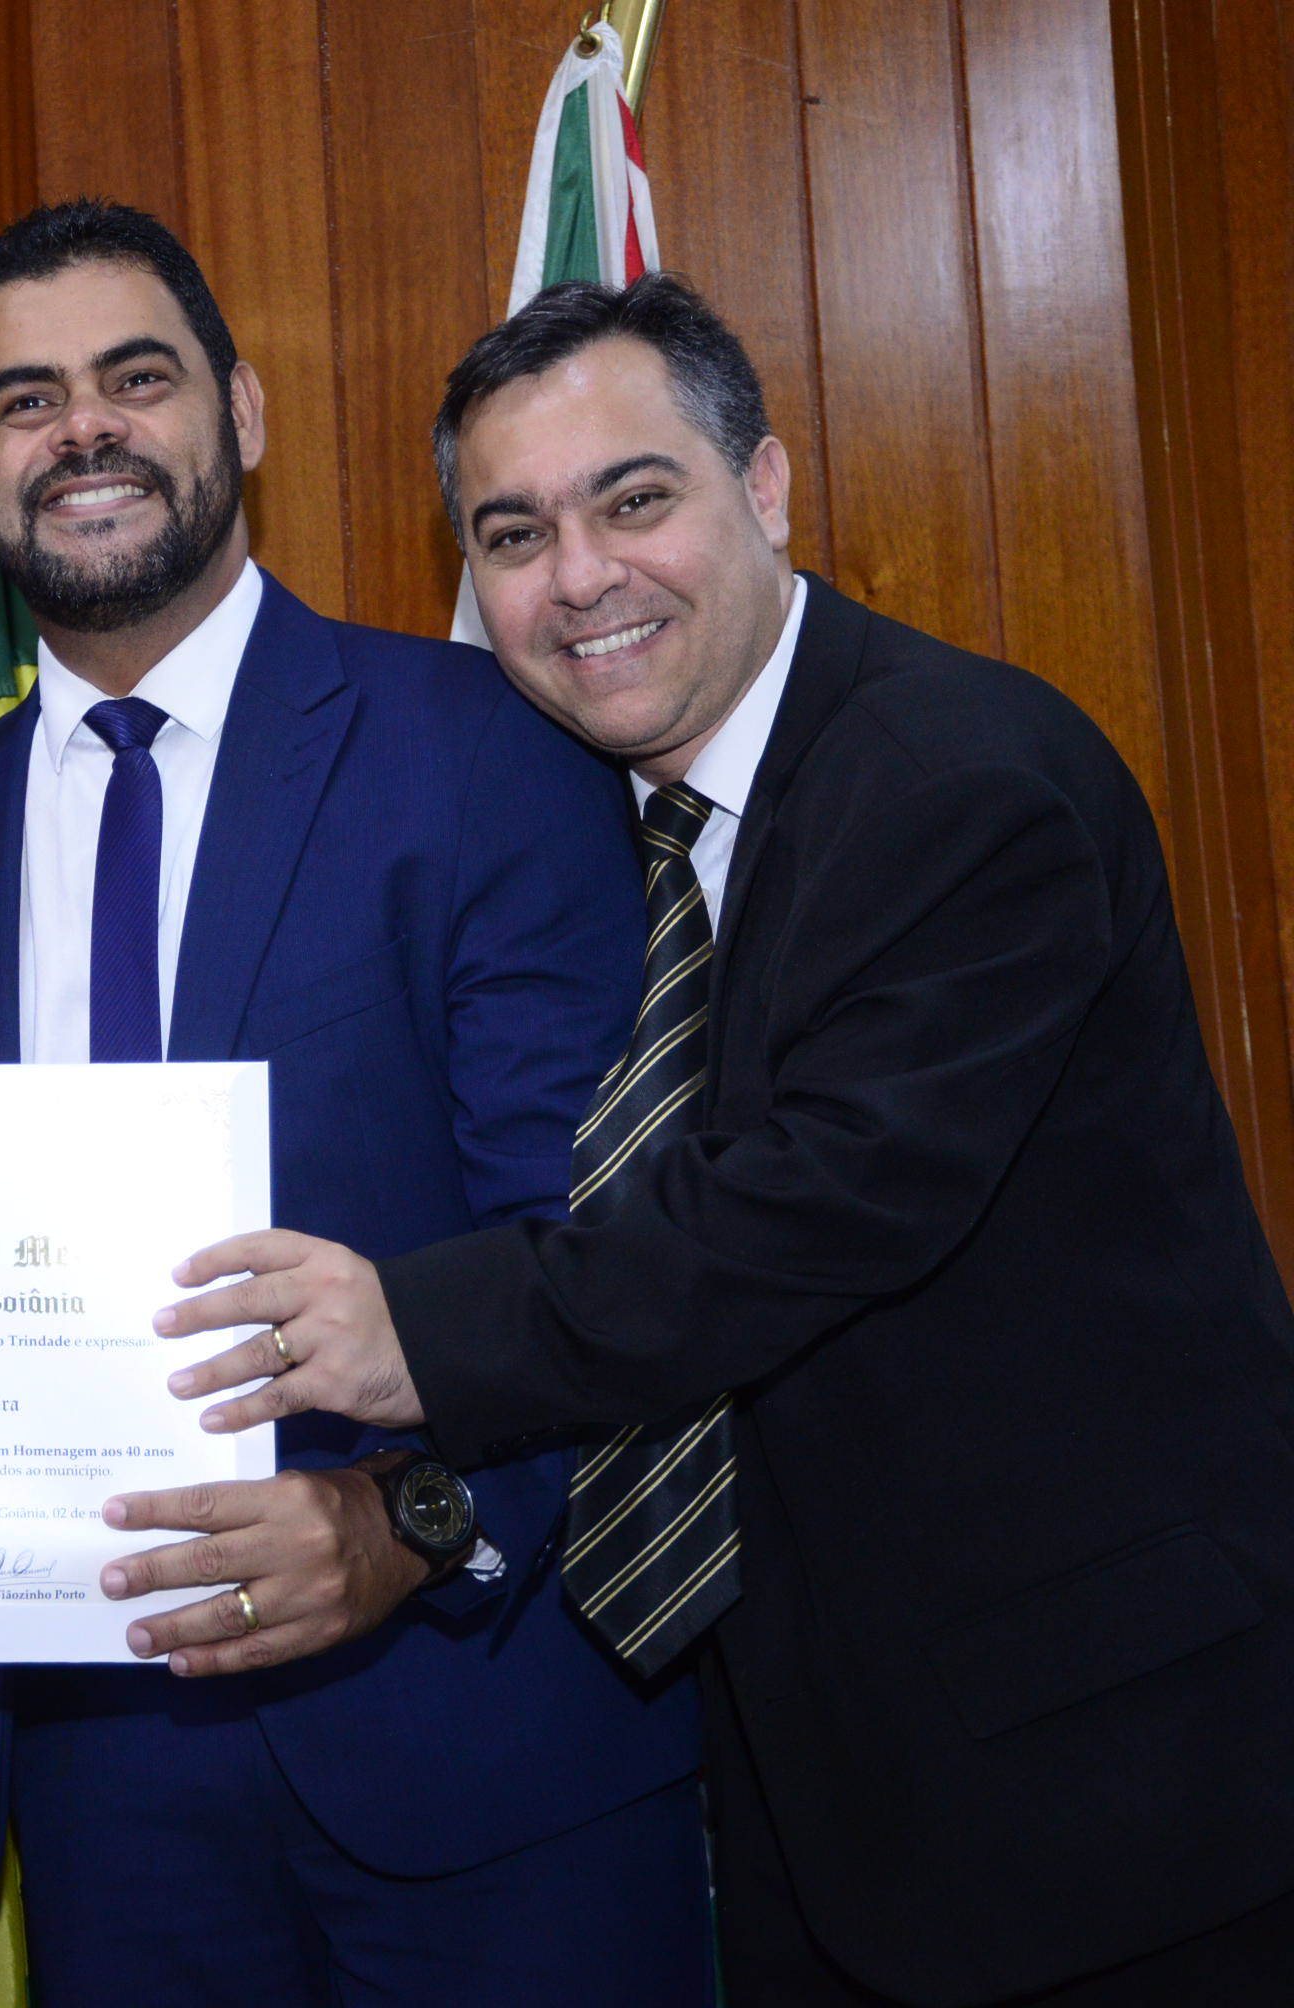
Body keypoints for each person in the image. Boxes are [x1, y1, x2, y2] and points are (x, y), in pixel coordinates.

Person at [135, 274, 1294, 2003]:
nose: (579, 577)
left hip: (1112, 1793)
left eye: (634, 499)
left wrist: (412, 1331)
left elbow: (809, 1212)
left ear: (766, 487)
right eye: (513, 535)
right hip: (820, 1794)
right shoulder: (600, 825)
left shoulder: (958, 781)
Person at [0, 200, 709, 2006]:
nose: (84, 429)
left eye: (138, 378)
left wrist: (413, 1521)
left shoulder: (486, 746)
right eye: (25, 400)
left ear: (242, 412)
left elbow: (610, 1240)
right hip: (101, 1794)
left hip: (486, 1753)